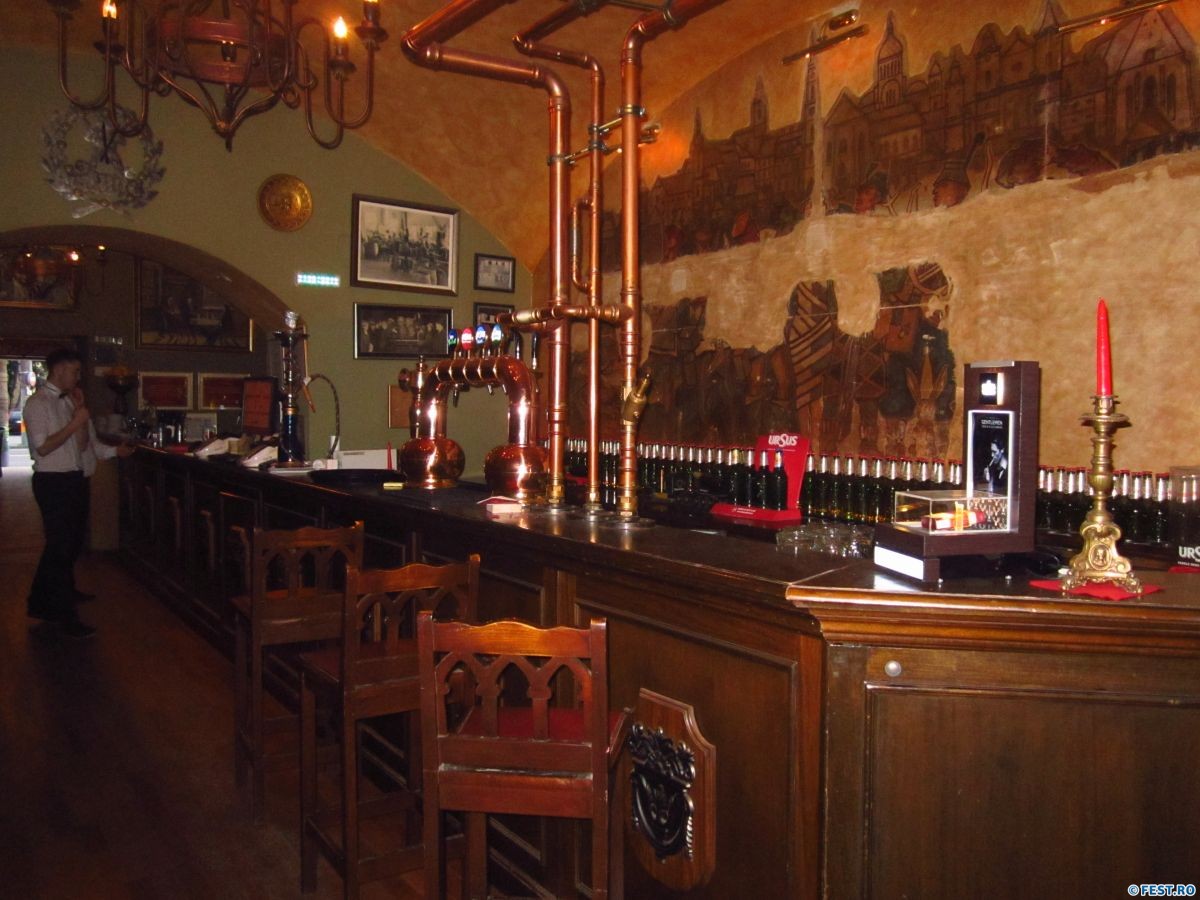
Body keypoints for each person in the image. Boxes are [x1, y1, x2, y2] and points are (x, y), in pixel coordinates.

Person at [23, 347, 134, 638]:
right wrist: (75, 423)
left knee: (68, 546)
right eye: (74, 371)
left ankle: (43, 603)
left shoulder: (68, 402)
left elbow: (84, 445)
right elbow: (42, 447)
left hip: (72, 478)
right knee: (59, 549)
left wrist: (80, 416)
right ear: (59, 370)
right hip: (52, 482)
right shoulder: (37, 404)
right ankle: (63, 615)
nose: (77, 377)